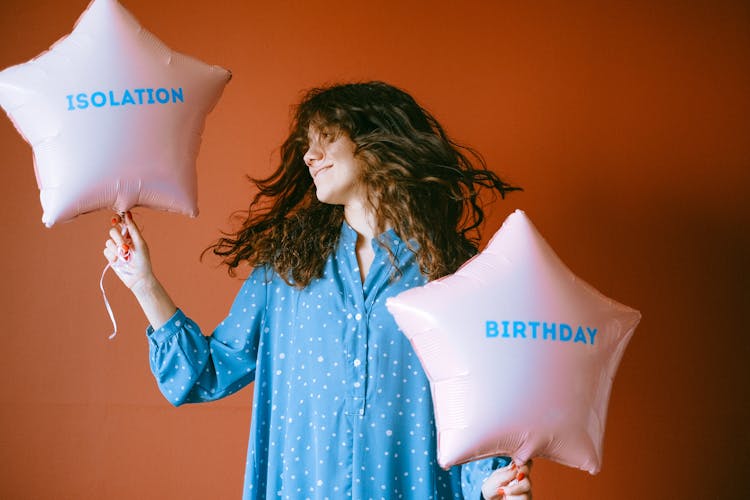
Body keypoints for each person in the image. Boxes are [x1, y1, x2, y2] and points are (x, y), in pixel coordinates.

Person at [104, 81, 533, 499]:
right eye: (308, 144)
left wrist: (490, 483)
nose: (310, 156)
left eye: (326, 139)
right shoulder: (285, 271)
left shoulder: (452, 274)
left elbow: (474, 408)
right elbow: (206, 373)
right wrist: (145, 283)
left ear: (375, 142)